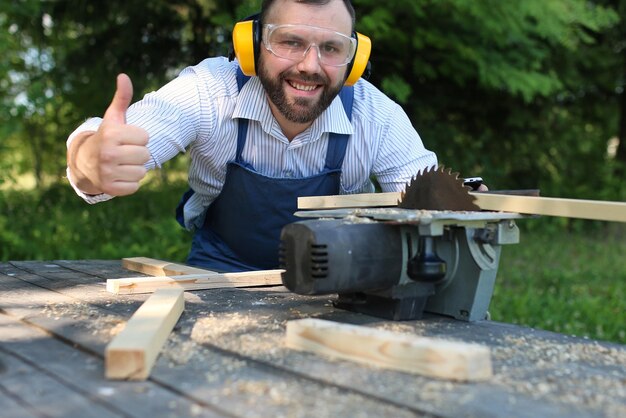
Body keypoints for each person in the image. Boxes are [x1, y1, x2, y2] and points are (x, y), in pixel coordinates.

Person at [66, 0, 438, 272]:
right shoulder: (209, 91)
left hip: (336, 276)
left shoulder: (377, 115)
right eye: (291, 42)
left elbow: (429, 200)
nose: (310, 66)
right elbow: (111, 142)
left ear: (354, 60)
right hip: (219, 273)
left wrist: (462, 205)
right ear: (252, 45)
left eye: (330, 48)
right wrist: (89, 160)